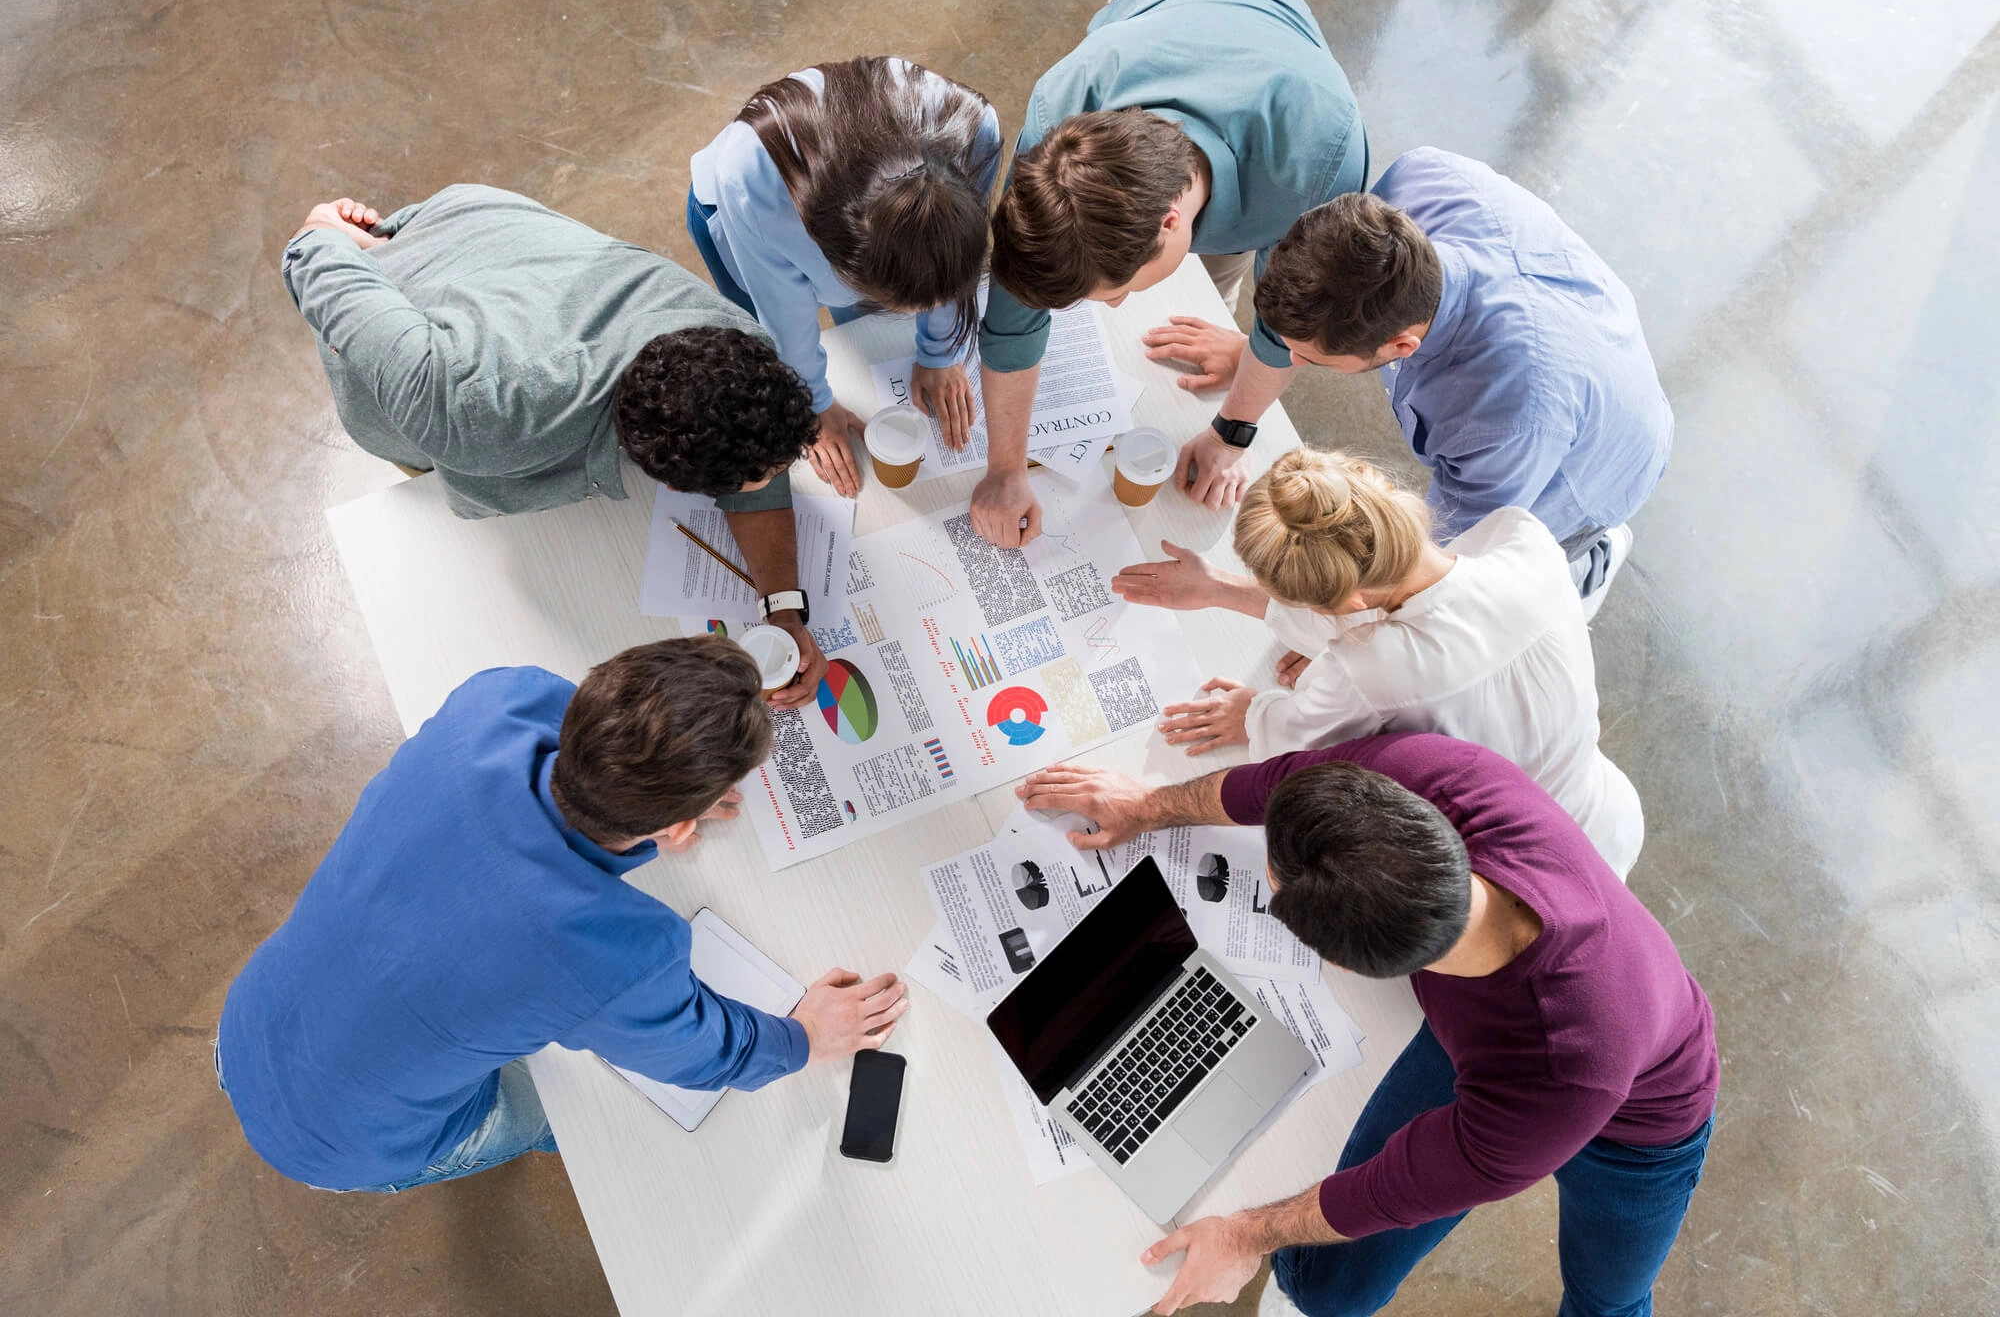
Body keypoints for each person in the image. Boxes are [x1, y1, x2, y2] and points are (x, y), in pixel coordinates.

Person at [1016, 732, 1717, 1317]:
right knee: (1328, 1286)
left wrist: (1244, 1234)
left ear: (1346, 965)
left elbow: (1393, 1190)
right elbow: (1281, 782)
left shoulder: (1557, 1075)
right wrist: (1152, 805)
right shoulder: (1432, 779)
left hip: (1640, 1126)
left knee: (1610, 1301)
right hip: (1495, 1048)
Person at [216, 637, 908, 1193]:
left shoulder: (493, 701)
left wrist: (656, 791)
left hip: (250, 1020)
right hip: (350, 1148)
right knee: (589, 1119)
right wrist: (804, 1037)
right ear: (676, 828)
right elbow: (703, 1052)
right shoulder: (611, 953)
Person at [283, 186, 832, 706]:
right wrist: (323, 234)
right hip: (413, 288)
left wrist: (782, 608)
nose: (767, 479)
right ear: (665, 480)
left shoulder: (739, 346)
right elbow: (331, 284)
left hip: (500, 254)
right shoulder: (475, 412)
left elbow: (753, 452)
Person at [970, 0, 1366, 547]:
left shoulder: (1319, 162)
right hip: (1163, 2)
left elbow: (1292, 320)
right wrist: (1004, 469)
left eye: (1117, 291)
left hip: (1270, 45)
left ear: (1171, 220)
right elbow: (1013, 312)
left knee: (1244, 290)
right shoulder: (1066, 103)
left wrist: (1232, 434)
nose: (1111, 308)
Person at [1112, 447, 1643, 877]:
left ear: (1345, 606)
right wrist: (1218, 588)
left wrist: (1256, 712)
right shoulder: (1522, 536)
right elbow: (1421, 611)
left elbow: (1292, 752)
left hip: (1521, 868)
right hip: (1608, 808)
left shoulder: (1366, 669)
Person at [1254, 148, 1675, 618]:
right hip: (1581, 349)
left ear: (1401, 347)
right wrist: (1250, 354)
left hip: (1598, 463)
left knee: (1497, 590)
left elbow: (1436, 572)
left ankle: (1587, 569)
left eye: (1311, 358)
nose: (1291, 360)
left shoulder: (1502, 418)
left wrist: (1336, 630)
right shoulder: (1419, 180)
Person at [688, 56, 1002, 496]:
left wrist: (940, 352)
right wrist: (813, 403)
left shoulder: (976, 132)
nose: (930, 309)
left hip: (855, 235)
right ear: (842, 265)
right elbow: (784, 313)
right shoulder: (751, 178)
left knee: (866, 346)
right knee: (760, 348)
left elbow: (948, 253)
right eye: (908, 305)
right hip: (733, 214)